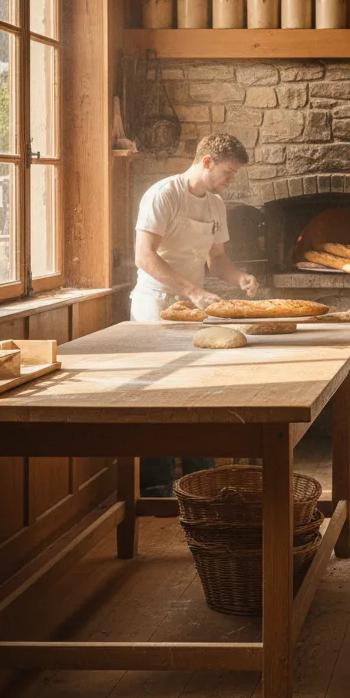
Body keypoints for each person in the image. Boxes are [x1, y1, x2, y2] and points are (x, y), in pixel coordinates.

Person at [130, 132, 260, 496]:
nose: (231, 180)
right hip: (156, 306)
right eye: (229, 172)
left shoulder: (215, 204)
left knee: (199, 393)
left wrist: (240, 277)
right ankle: (157, 483)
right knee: (159, 398)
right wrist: (190, 289)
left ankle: (200, 479)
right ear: (206, 162)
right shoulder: (163, 195)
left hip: (194, 307)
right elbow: (144, 256)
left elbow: (216, 259)